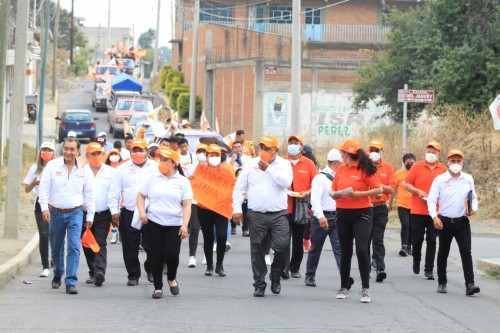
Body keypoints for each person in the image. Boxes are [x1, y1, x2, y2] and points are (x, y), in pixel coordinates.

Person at [232, 135, 293, 297]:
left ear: (276, 151)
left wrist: (268, 169)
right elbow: (239, 187)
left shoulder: (284, 164)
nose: (263, 151)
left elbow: (286, 182)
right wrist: (237, 208)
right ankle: (259, 283)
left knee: (282, 246)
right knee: (257, 249)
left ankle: (276, 275)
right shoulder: (251, 164)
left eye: (267, 148)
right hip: (256, 214)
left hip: (278, 214)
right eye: (261, 148)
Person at [38, 138, 95, 295]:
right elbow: (44, 188)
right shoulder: (52, 166)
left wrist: (90, 215)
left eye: (72, 149)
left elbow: (89, 193)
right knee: (56, 247)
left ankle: (71, 281)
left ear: (78, 152)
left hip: (75, 212)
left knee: (74, 247)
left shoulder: (85, 169)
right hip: (55, 212)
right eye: (66, 148)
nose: (68, 152)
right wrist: (44, 208)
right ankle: (57, 272)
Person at [137, 147, 193, 298]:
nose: (161, 162)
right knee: (156, 254)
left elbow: (187, 204)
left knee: (172, 254)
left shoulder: (182, 181)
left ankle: (171, 277)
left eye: (165, 160)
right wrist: (142, 213)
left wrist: (184, 224)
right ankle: (158, 287)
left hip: (174, 223)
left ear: (174, 163)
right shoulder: (152, 178)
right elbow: (141, 196)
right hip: (154, 222)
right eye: (160, 159)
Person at [331, 139, 382, 303]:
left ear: (347, 154)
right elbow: (333, 188)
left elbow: (379, 190)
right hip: (342, 212)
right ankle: (344, 286)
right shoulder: (340, 169)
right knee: (345, 250)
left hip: (362, 213)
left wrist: (359, 194)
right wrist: (334, 193)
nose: (340, 155)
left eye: (342, 153)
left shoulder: (365, 168)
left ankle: (365, 289)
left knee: (361, 249)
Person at [427, 149, 480, 296]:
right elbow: (431, 200)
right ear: (447, 162)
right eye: (453, 161)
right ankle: (442, 282)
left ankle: (470, 284)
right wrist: (434, 217)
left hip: (462, 222)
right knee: (443, 252)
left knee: (466, 252)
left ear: (462, 162)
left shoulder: (468, 178)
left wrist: (473, 209)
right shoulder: (440, 179)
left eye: (458, 161)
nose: (456, 164)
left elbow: (473, 197)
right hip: (444, 221)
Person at [108, 139, 159, 286]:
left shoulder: (156, 168)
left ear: (147, 152)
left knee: (152, 245)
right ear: (130, 152)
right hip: (130, 212)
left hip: (151, 213)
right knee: (130, 246)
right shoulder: (122, 169)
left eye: (140, 150)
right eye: (134, 150)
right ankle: (133, 275)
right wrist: (114, 212)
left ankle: (150, 269)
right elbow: (114, 192)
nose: (137, 153)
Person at [404, 141, 447, 280]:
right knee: (417, 239)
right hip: (417, 210)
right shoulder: (417, 167)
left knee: (432, 240)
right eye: (429, 151)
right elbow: (406, 184)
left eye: (434, 152)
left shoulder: (444, 170)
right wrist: (417, 191)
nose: (431, 154)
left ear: (439, 154)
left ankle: (429, 269)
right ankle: (416, 260)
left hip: (435, 212)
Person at [305, 149, 343, 287]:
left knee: (339, 249)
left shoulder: (341, 176)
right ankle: (310, 275)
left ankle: (344, 277)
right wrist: (321, 217)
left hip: (337, 217)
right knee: (316, 248)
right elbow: (315, 200)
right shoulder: (320, 177)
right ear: (337, 163)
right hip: (321, 217)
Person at [283, 135, 318, 279]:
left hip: (301, 206)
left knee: (298, 239)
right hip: (283, 207)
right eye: (290, 143)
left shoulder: (309, 164)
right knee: (283, 240)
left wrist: (307, 192)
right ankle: (283, 268)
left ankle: (295, 268)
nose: (293, 145)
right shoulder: (281, 162)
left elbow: (316, 184)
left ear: (301, 147)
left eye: (296, 143)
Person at [197, 144, 235, 277]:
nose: (214, 157)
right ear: (207, 156)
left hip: (221, 210)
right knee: (208, 237)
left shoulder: (226, 172)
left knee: (221, 236)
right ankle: (209, 265)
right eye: (211, 155)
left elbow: (231, 190)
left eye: (217, 155)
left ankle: (220, 265)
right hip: (204, 209)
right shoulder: (200, 169)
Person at [81, 142, 115, 287]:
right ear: (87, 155)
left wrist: (114, 213)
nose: (96, 156)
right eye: (92, 154)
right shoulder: (81, 172)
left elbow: (114, 194)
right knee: (87, 243)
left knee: (100, 242)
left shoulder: (110, 172)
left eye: (98, 153)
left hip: (103, 213)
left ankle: (100, 272)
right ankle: (92, 271)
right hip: (84, 213)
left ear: (102, 154)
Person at [23, 142, 56, 277]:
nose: (46, 152)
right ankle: (45, 266)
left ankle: (55, 258)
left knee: (55, 234)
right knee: (44, 235)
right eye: (44, 150)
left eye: (49, 150)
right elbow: (26, 189)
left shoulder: (57, 168)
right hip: (40, 205)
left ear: (54, 153)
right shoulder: (35, 168)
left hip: (55, 205)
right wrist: (35, 182)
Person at [366, 139, 396, 283]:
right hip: (365, 208)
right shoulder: (363, 167)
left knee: (378, 239)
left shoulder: (388, 168)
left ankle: (380, 268)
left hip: (381, 207)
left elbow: (391, 189)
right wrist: (375, 188)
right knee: (365, 240)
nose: (374, 153)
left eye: (376, 150)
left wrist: (377, 187)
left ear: (382, 152)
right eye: (371, 150)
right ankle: (365, 267)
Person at [184, 143, 208, 268]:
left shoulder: (212, 168)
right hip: (194, 202)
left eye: (204, 151)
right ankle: (192, 257)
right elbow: (185, 183)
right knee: (194, 228)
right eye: (199, 151)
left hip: (208, 203)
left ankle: (206, 255)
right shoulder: (191, 167)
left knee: (207, 230)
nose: (202, 154)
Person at [389, 153, 416, 256]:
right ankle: (404, 246)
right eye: (407, 162)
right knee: (405, 224)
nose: (409, 164)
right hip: (402, 205)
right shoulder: (399, 174)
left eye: (412, 162)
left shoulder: (417, 173)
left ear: (415, 162)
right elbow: (393, 190)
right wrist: (390, 203)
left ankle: (410, 246)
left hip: (415, 205)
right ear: (404, 163)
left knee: (413, 227)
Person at [300, 144, 320, 252]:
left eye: (306, 154)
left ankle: (306, 239)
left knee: (309, 219)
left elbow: (318, 181)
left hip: (310, 195)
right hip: (297, 194)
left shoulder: (315, 166)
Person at [229, 140, 252, 236]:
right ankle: (233, 226)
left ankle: (245, 229)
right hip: (233, 186)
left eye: (239, 147)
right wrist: (232, 160)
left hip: (245, 187)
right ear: (232, 149)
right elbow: (227, 170)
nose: (238, 148)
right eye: (235, 147)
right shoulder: (229, 159)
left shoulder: (248, 159)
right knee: (234, 206)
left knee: (245, 208)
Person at [105, 148, 123, 244]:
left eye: (115, 154)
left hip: (121, 194)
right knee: (113, 214)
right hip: (111, 194)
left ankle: (120, 233)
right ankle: (114, 233)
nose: (113, 156)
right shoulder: (106, 168)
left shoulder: (123, 167)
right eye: (111, 154)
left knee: (119, 214)